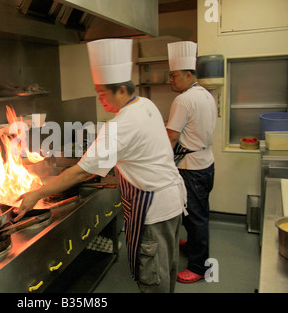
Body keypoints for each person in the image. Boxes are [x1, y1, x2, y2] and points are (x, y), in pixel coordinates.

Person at [15, 38, 187, 293]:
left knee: (154, 280)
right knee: (166, 270)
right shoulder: (146, 105)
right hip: (171, 202)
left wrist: (37, 194)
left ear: (120, 89)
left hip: (153, 211)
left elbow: (80, 171)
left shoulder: (119, 126)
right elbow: (143, 154)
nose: (100, 99)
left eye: (102, 93)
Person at [165, 41, 217, 284]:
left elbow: (172, 136)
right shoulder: (205, 94)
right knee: (196, 214)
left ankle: (199, 267)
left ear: (188, 74)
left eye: (174, 76)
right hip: (206, 163)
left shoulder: (183, 100)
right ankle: (194, 246)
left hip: (191, 168)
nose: (170, 81)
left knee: (195, 217)